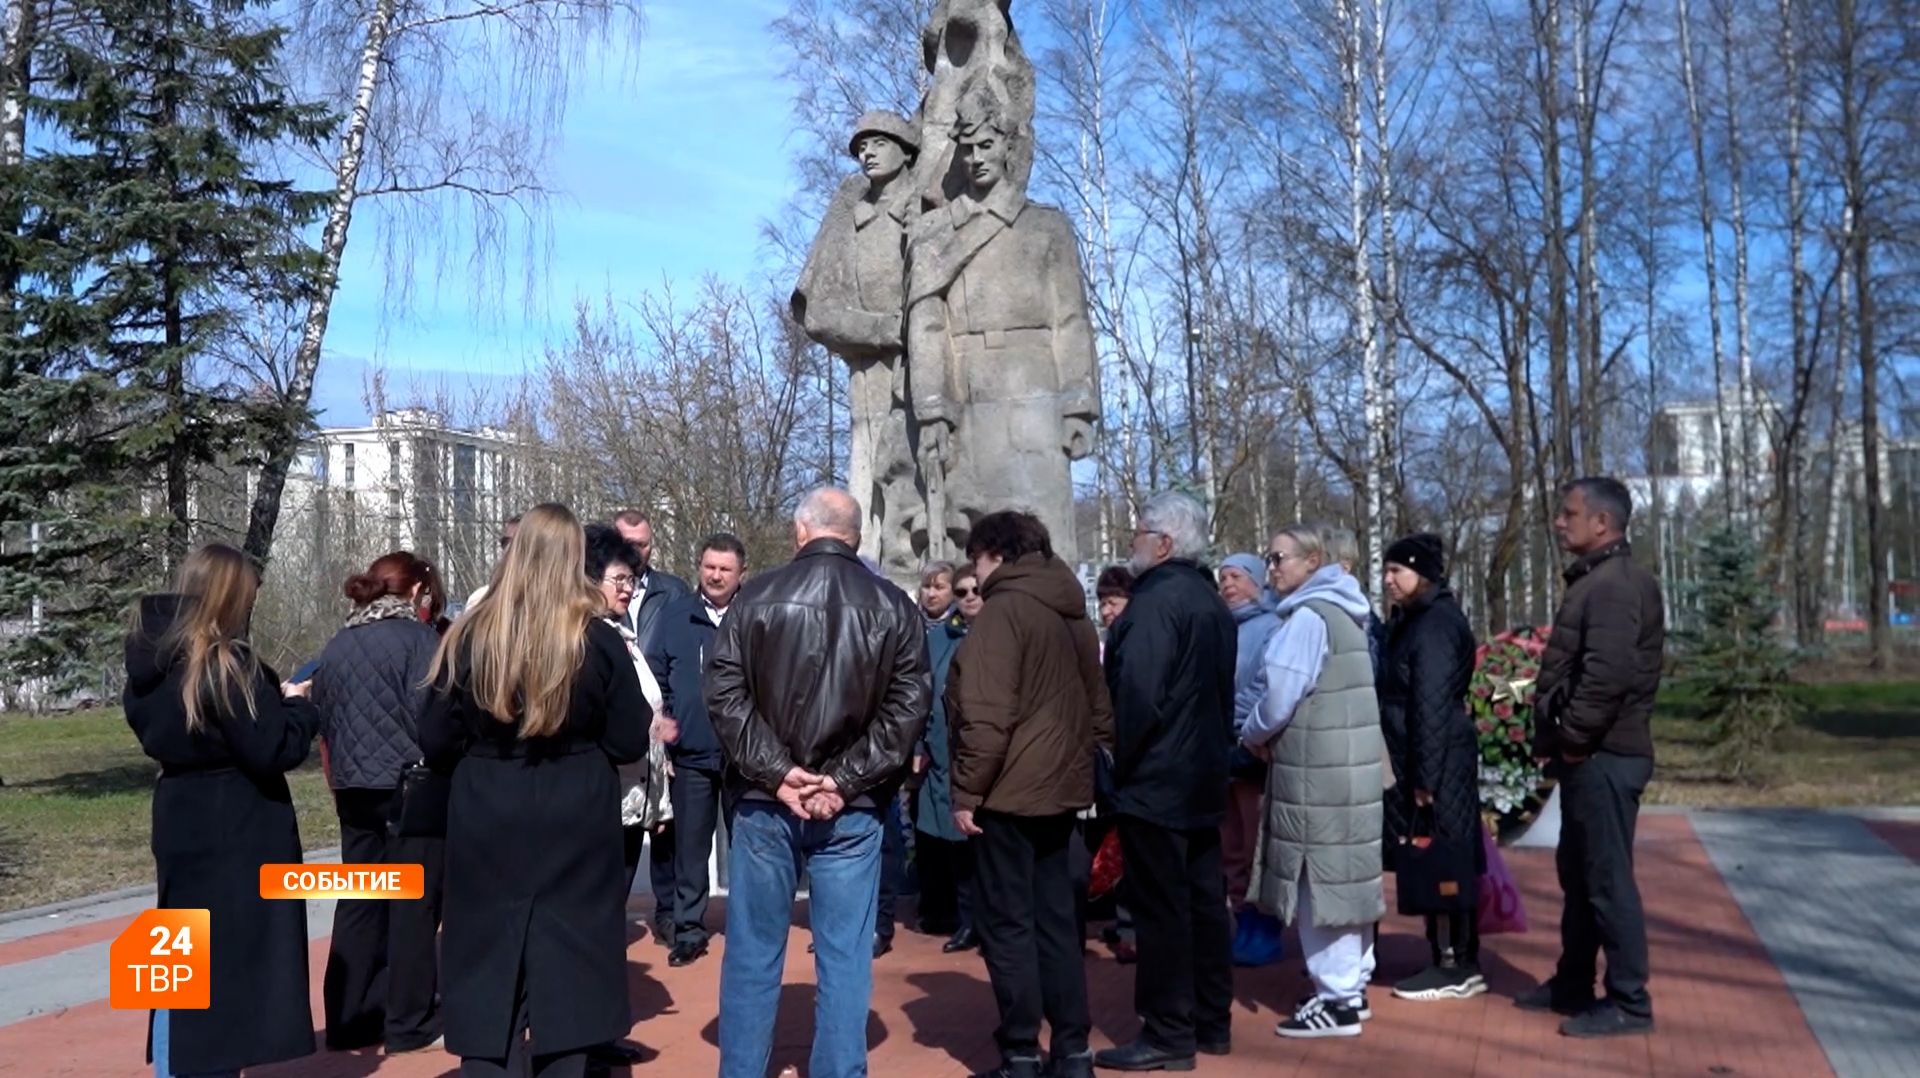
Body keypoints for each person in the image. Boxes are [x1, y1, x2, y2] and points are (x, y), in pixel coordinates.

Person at [706, 486, 930, 1078]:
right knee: (844, 955)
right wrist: (838, 780)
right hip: (847, 806)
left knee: (754, 951)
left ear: (801, 532)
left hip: (769, 801)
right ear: (854, 538)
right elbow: (907, 712)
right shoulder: (895, 607)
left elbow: (724, 695)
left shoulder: (754, 598)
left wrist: (780, 773)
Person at [420, 503, 650, 1077]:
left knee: (486, 959)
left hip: (487, 806)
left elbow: (434, 733)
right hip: (574, 810)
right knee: (569, 968)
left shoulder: (470, 633)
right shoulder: (595, 639)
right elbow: (628, 739)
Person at [124, 543, 320, 1078]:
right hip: (237, 823)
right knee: (232, 965)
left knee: (181, 955)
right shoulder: (225, 665)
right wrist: (299, 707)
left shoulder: (153, 662)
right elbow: (270, 748)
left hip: (180, 813)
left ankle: (173, 1063)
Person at [946, 511, 1113, 1078]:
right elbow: (1099, 709)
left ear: (995, 553)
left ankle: (1021, 1051)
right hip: (1062, 790)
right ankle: (1072, 1050)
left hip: (1008, 794)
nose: (976, 571)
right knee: (1059, 925)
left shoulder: (1003, 616)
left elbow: (986, 719)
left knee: (1010, 927)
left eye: (978, 559)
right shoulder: (1074, 614)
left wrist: (967, 792)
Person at [1092, 492, 1237, 1072]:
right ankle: (1210, 1020)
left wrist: (1116, 756)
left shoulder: (1156, 603)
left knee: (1163, 909)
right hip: (1202, 774)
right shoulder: (1208, 599)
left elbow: (1139, 694)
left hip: (1159, 777)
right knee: (1203, 901)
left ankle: (1169, 1032)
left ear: (1165, 542)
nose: (1132, 543)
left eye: (1139, 533)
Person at [1520, 477, 1664, 1038]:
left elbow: (1607, 677)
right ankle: (1574, 981)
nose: (1560, 522)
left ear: (1602, 524)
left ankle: (1629, 1001)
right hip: (1591, 754)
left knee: (1606, 880)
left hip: (1605, 755)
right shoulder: (1598, 581)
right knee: (1579, 875)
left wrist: (1574, 737)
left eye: (1570, 514)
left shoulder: (1614, 587)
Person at [1242, 524, 1385, 1040]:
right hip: (1345, 768)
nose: (1271, 567)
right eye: (1268, 557)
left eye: (1279, 557)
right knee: (1345, 879)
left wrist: (1250, 731)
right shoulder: (1346, 612)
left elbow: (1280, 694)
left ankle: (1338, 1000)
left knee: (1317, 882)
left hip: (1316, 772)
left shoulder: (1308, 617)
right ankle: (1352, 989)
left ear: (1312, 561)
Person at [313, 552, 447, 1054]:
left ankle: (349, 1017)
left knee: (360, 899)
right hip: (409, 786)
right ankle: (410, 1019)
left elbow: (324, 715)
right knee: (414, 901)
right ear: (415, 592)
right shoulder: (419, 640)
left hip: (352, 786)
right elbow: (431, 717)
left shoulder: (339, 644)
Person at [581, 524, 675, 1071]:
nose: (628, 588)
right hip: (602, 801)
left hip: (632, 799)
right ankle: (586, 1034)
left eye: (633, 579)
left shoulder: (621, 632)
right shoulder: (590, 638)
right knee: (593, 920)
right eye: (620, 578)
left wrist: (658, 802)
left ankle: (599, 1028)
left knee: (607, 918)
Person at [1376, 533, 1484, 1001]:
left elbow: (1432, 705)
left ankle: (1453, 965)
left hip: (1434, 763)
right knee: (1435, 853)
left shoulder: (1436, 625)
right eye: (1386, 570)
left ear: (1423, 573)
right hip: (1418, 756)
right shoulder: (1413, 620)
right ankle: (1449, 956)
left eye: (1397, 570)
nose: (1388, 580)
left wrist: (1426, 779)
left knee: (1441, 856)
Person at [645, 533, 748, 968]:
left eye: (725, 569)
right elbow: (658, 676)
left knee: (747, 849)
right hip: (690, 754)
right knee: (690, 849)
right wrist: (662, 723)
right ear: (699, 567)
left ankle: (749, 931)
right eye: (710, 566)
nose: (716, 575)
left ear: (742, 573)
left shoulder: (756, 614)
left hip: (746, 758)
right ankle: (688, 930)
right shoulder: (675, 615)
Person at [611, 509, 691, 945]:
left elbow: (680, 663)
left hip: (663, 720)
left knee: (665, 825)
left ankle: (668, 913)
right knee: (622, 827)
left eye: (642, 543)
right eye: (626, 542)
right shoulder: (598, 594)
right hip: (620, 722)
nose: (635, 551)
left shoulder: (674, 592)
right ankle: (610, 917)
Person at [1216, 553, 1283, 968]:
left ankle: (1266, 927)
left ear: (1257, 581)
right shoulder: (1219, 626)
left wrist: (1232, 719)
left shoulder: (1272, 627)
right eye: (1222, 577)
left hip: (1253, 751)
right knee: (1232, 847)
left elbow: (1265, 684)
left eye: (1236, 577)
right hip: (1221, 754)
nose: (1227, 585)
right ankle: (1241, 920)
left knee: (1260, 844)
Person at [914, 561, 978, 952]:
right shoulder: (935, 637)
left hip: (974, 752)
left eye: (945, 588)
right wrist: (919, 745)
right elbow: (922, 694)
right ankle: (951, 912)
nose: (966, 598)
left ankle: (975, 918)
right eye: (929, 587)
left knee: (970, 840)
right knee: (942, 837)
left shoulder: (982, 633)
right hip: (938, 750)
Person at [1087, 564, 1137, 962]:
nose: (1106, 611)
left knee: (1130, 846)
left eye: (1113, 602)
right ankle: (1125, 922)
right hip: (1111, 758)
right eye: (1102, 603)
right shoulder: (1109, 643)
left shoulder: (1133, 642)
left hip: (1131, 759)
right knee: (1117, 844)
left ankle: (1132, 927)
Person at [462, 514, 520, 610]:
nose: (509, 548)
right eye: (505, 542)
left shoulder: (549, 603)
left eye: (518, 542)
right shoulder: (479, 600)